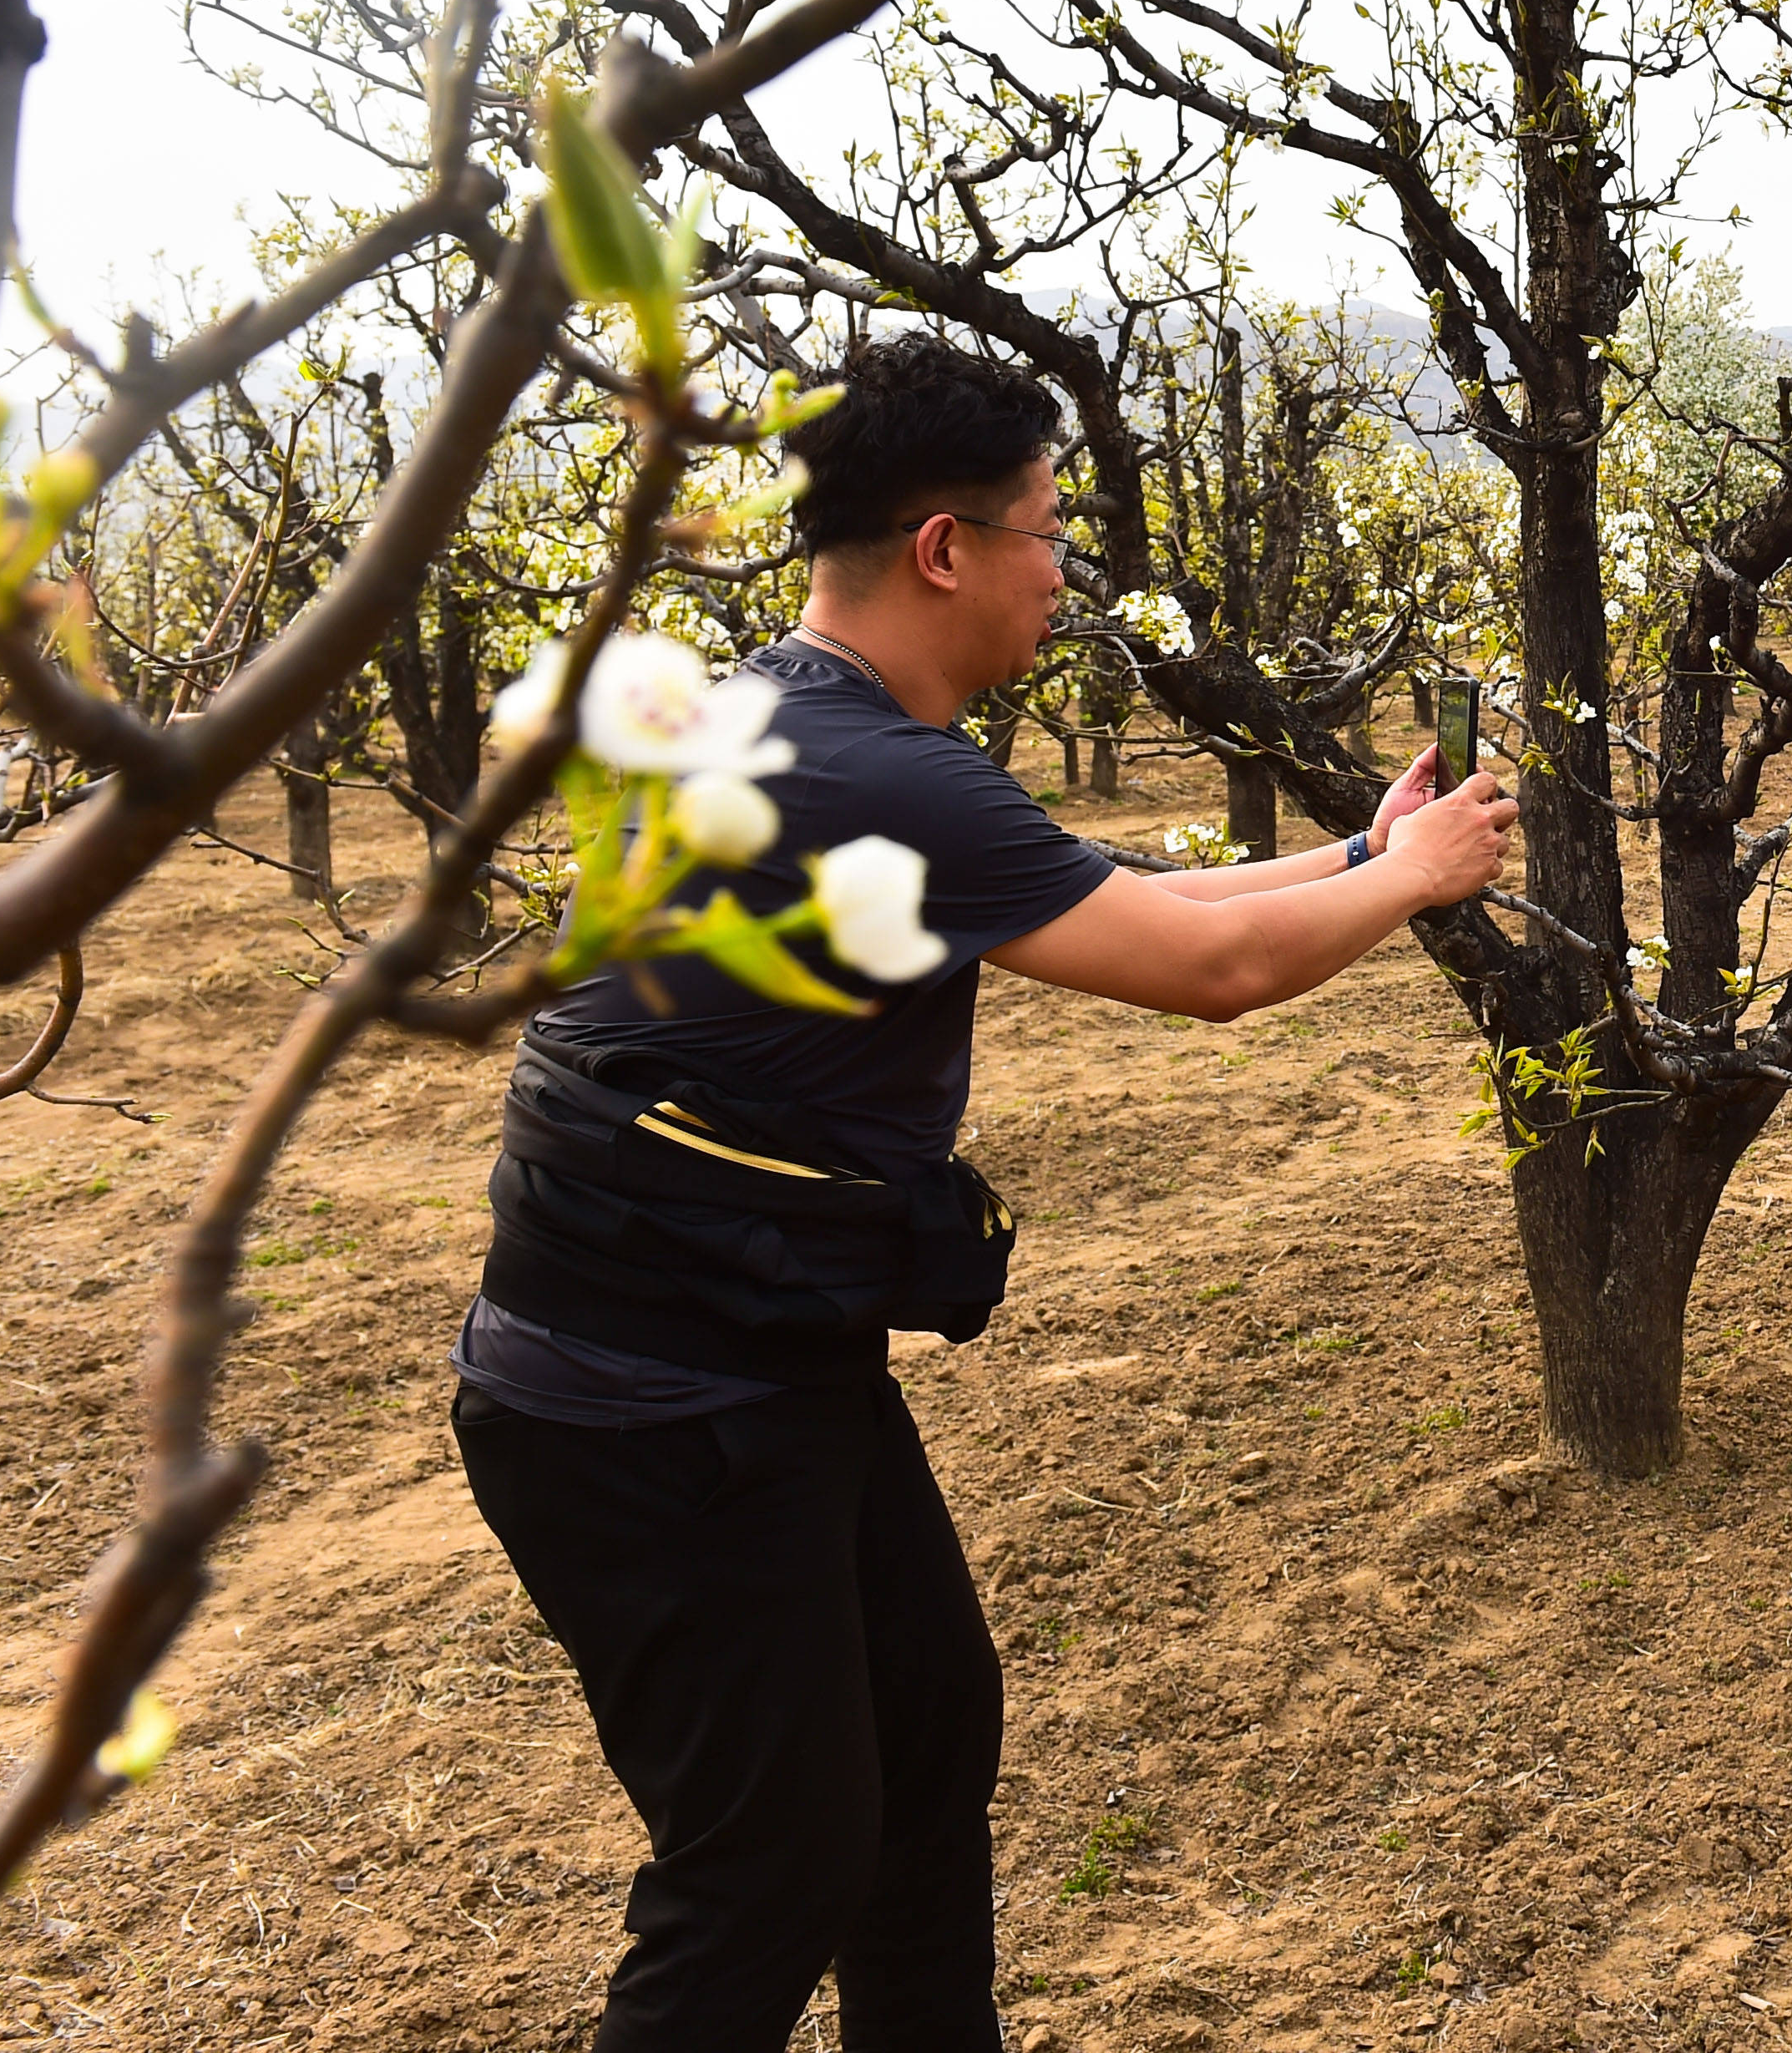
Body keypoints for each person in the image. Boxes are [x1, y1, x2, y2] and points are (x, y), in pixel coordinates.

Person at [452, 333, 1518, 2051]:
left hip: (731, 1352)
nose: (1063, 572)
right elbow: (1215, 971)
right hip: (654, 1400)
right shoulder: (878, 769)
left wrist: (1356, 853)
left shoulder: (785, 717)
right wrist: (1413, 881)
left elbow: (1107, 893)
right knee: (768, 1862)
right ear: (945, 544)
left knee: (928, 1734)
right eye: (1046, 530)